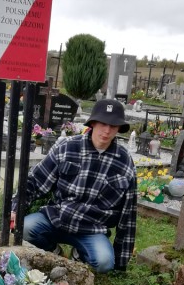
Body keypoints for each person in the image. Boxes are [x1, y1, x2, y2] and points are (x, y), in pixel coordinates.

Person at [13, 98, 137, 272]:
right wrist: (15, 209)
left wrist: (121, 260)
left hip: (92, 229)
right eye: (103, 123)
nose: (107, 130)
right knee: (24, 228)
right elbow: (35, 180)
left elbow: (128, 214)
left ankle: (79, 255)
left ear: (119, 128)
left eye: (113, 126)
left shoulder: (124, 162)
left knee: (104, 262)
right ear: (93, 123)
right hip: (57, 218)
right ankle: (54, 252)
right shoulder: (67, 147)